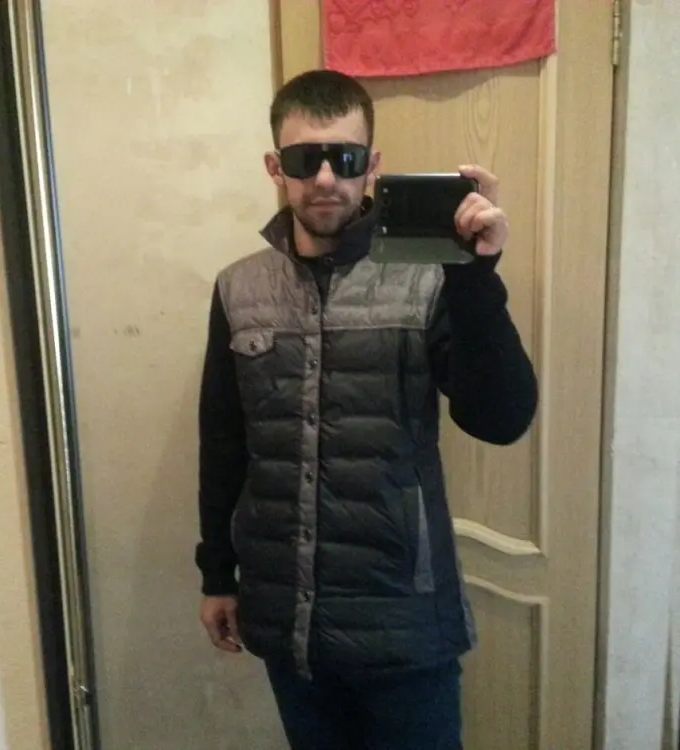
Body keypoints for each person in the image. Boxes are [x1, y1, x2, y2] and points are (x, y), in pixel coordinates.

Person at [195, 69, 538, 750]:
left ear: (372, 166)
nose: (325, 178)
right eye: (304, 159)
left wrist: (475, 277)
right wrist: (216, 575)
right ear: (275, 168)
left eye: (345, 158)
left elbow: (500, 419)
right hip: (289, 622)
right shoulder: (239, 288)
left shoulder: (430, 278)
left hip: (405, 622)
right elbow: (224, 442)